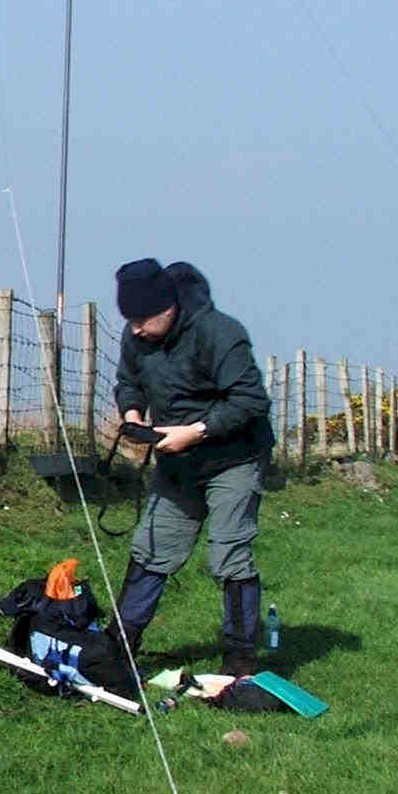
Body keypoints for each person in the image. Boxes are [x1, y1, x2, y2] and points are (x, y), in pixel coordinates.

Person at [108, 258, 274, 676]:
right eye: (128, 320)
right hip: (177, 463)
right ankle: (119, 646)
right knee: (151, 548)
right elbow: (128, 381)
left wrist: (196, 431)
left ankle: (240, 659)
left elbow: (251, 401)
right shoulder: (138, 337)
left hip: (233, 458)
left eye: (142, 320)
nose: (134, 330)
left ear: (168, 310)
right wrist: (132, 415)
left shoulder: (221, 334)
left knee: (229, 554)